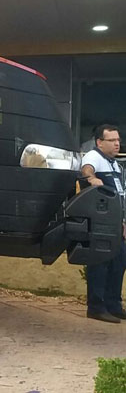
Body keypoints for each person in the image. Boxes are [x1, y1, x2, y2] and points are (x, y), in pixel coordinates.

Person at [80, 124, 126, 323]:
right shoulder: (94, 157)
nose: (117, 144)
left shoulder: (115, 164)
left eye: (118, 140)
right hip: (100, 223)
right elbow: (86, 170)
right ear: (100, 142)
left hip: (118, 222)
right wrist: (91, 178)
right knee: (99, 264)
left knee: (119, 263)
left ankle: (113, 305)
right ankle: (96, 307)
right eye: (112, 140)